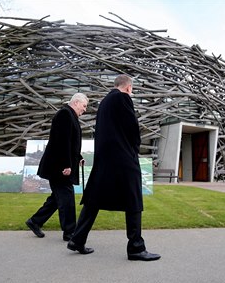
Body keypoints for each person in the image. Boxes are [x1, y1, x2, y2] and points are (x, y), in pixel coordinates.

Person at [67, 74, 160, 261]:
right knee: (133, 198)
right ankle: (135, 247)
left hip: (105, 159)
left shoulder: (104, 102)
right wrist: (133, 151)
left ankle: (77, 239)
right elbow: (132, 128)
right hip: (123, 159)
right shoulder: (123, 97)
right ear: (128, 88)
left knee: (94, 199)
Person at [25, 93, 89, 241]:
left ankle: (35, 221)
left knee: (57, 198)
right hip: (59, 167)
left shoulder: (69, 115)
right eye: (84, 106)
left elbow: (70, 142)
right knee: (66, 198)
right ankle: (70, 232)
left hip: (60, 165)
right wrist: (66, 164)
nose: (85, 109)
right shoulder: (64, 114)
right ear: (76, 102)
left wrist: (77, 158)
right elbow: (61, 142)